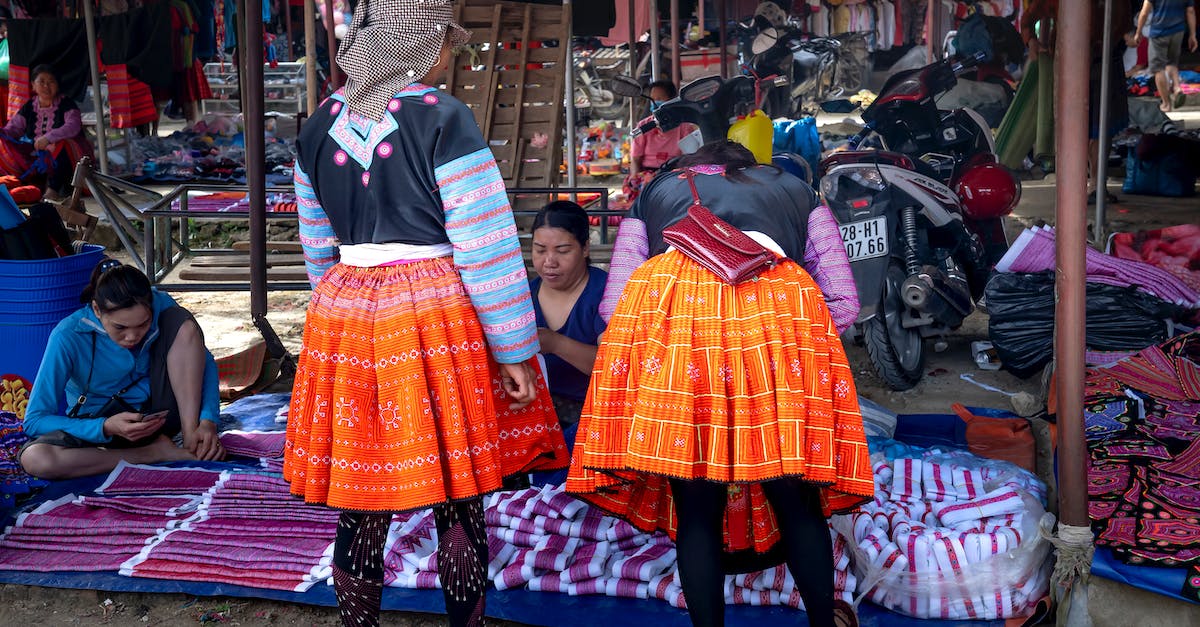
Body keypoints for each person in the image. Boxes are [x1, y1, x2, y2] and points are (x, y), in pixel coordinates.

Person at [282, 2, 569, 626]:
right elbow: (485, 245)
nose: (448, 54)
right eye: (442, 41)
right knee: (458, 494)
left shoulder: (314, 128)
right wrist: (516, 348)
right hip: (433, 309)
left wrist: (338, 305)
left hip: (346, 309)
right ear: (415, 43)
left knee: (362, 495)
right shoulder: (443, 118)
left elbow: (314, 248)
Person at [568, 140, 873, 627]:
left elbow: (616, 304)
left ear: (690, 169)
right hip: (778, 311)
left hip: (679, 318)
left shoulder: (654, 191)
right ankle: (824, 621)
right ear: (748, 168)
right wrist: (788, 341)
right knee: (795, 499)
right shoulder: (797, 189)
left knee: (696, 509)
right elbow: (843, 300)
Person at [19, 258, 224, 481]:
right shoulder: (67, 335)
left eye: (143, 324)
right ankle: (150, 454)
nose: (132, 336)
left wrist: (207, 421)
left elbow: (203, 361)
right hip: (99, 423)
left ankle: (191, 437)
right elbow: (35, 419)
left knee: (183, 323)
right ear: (97, 309)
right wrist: (104, 427)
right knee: (36, 458)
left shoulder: (161, 304)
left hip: (159, 416)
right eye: (120, 327)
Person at [1022, 0, 1131, 204]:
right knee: (1071, 126)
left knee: (1102, 127)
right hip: (1068, 62)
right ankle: (1076, 185)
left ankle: (1097, 186)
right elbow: (1029, 18)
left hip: (1104, 60)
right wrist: (1032, 42)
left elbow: (1124, 25)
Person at [529, 200, 607, 441]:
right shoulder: (522, 297)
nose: (549, 261)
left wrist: (555, 343)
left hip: (595, 419)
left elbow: (615, 366)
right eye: (540, 250)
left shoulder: (607, 293)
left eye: (562, 251)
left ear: (585, 248)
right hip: (537, 419)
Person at [0, 65, 94, 200]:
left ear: (57, 85)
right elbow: (14, 129)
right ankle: (19, 183)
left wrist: (49, 138)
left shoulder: (66, 103)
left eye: (51, 82)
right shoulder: (29, 106)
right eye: (41, 82)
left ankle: (53, 189)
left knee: (65, 144)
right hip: (36, 155)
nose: (46, 86)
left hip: (64, 155)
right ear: (33, 85)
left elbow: (73, 126)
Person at [624, 79, 697, 202]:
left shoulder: (684, 127)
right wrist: (635, 178)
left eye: (659, 98)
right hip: (647, 175)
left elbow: (690, 158)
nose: (655, 103)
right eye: (652, 99)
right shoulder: (644, 126)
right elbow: (636, 160)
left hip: (673, 174)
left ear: (671, 101)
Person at [1134, 0, 1198, 112]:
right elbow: (1190, 11)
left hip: (1159, 32)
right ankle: (1177, 88)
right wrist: (1192, 35)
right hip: (1178, 31)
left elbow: (1144, 12)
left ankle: (1166, 104)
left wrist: (1138, 32)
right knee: (1171, 62)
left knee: (1158, 68)